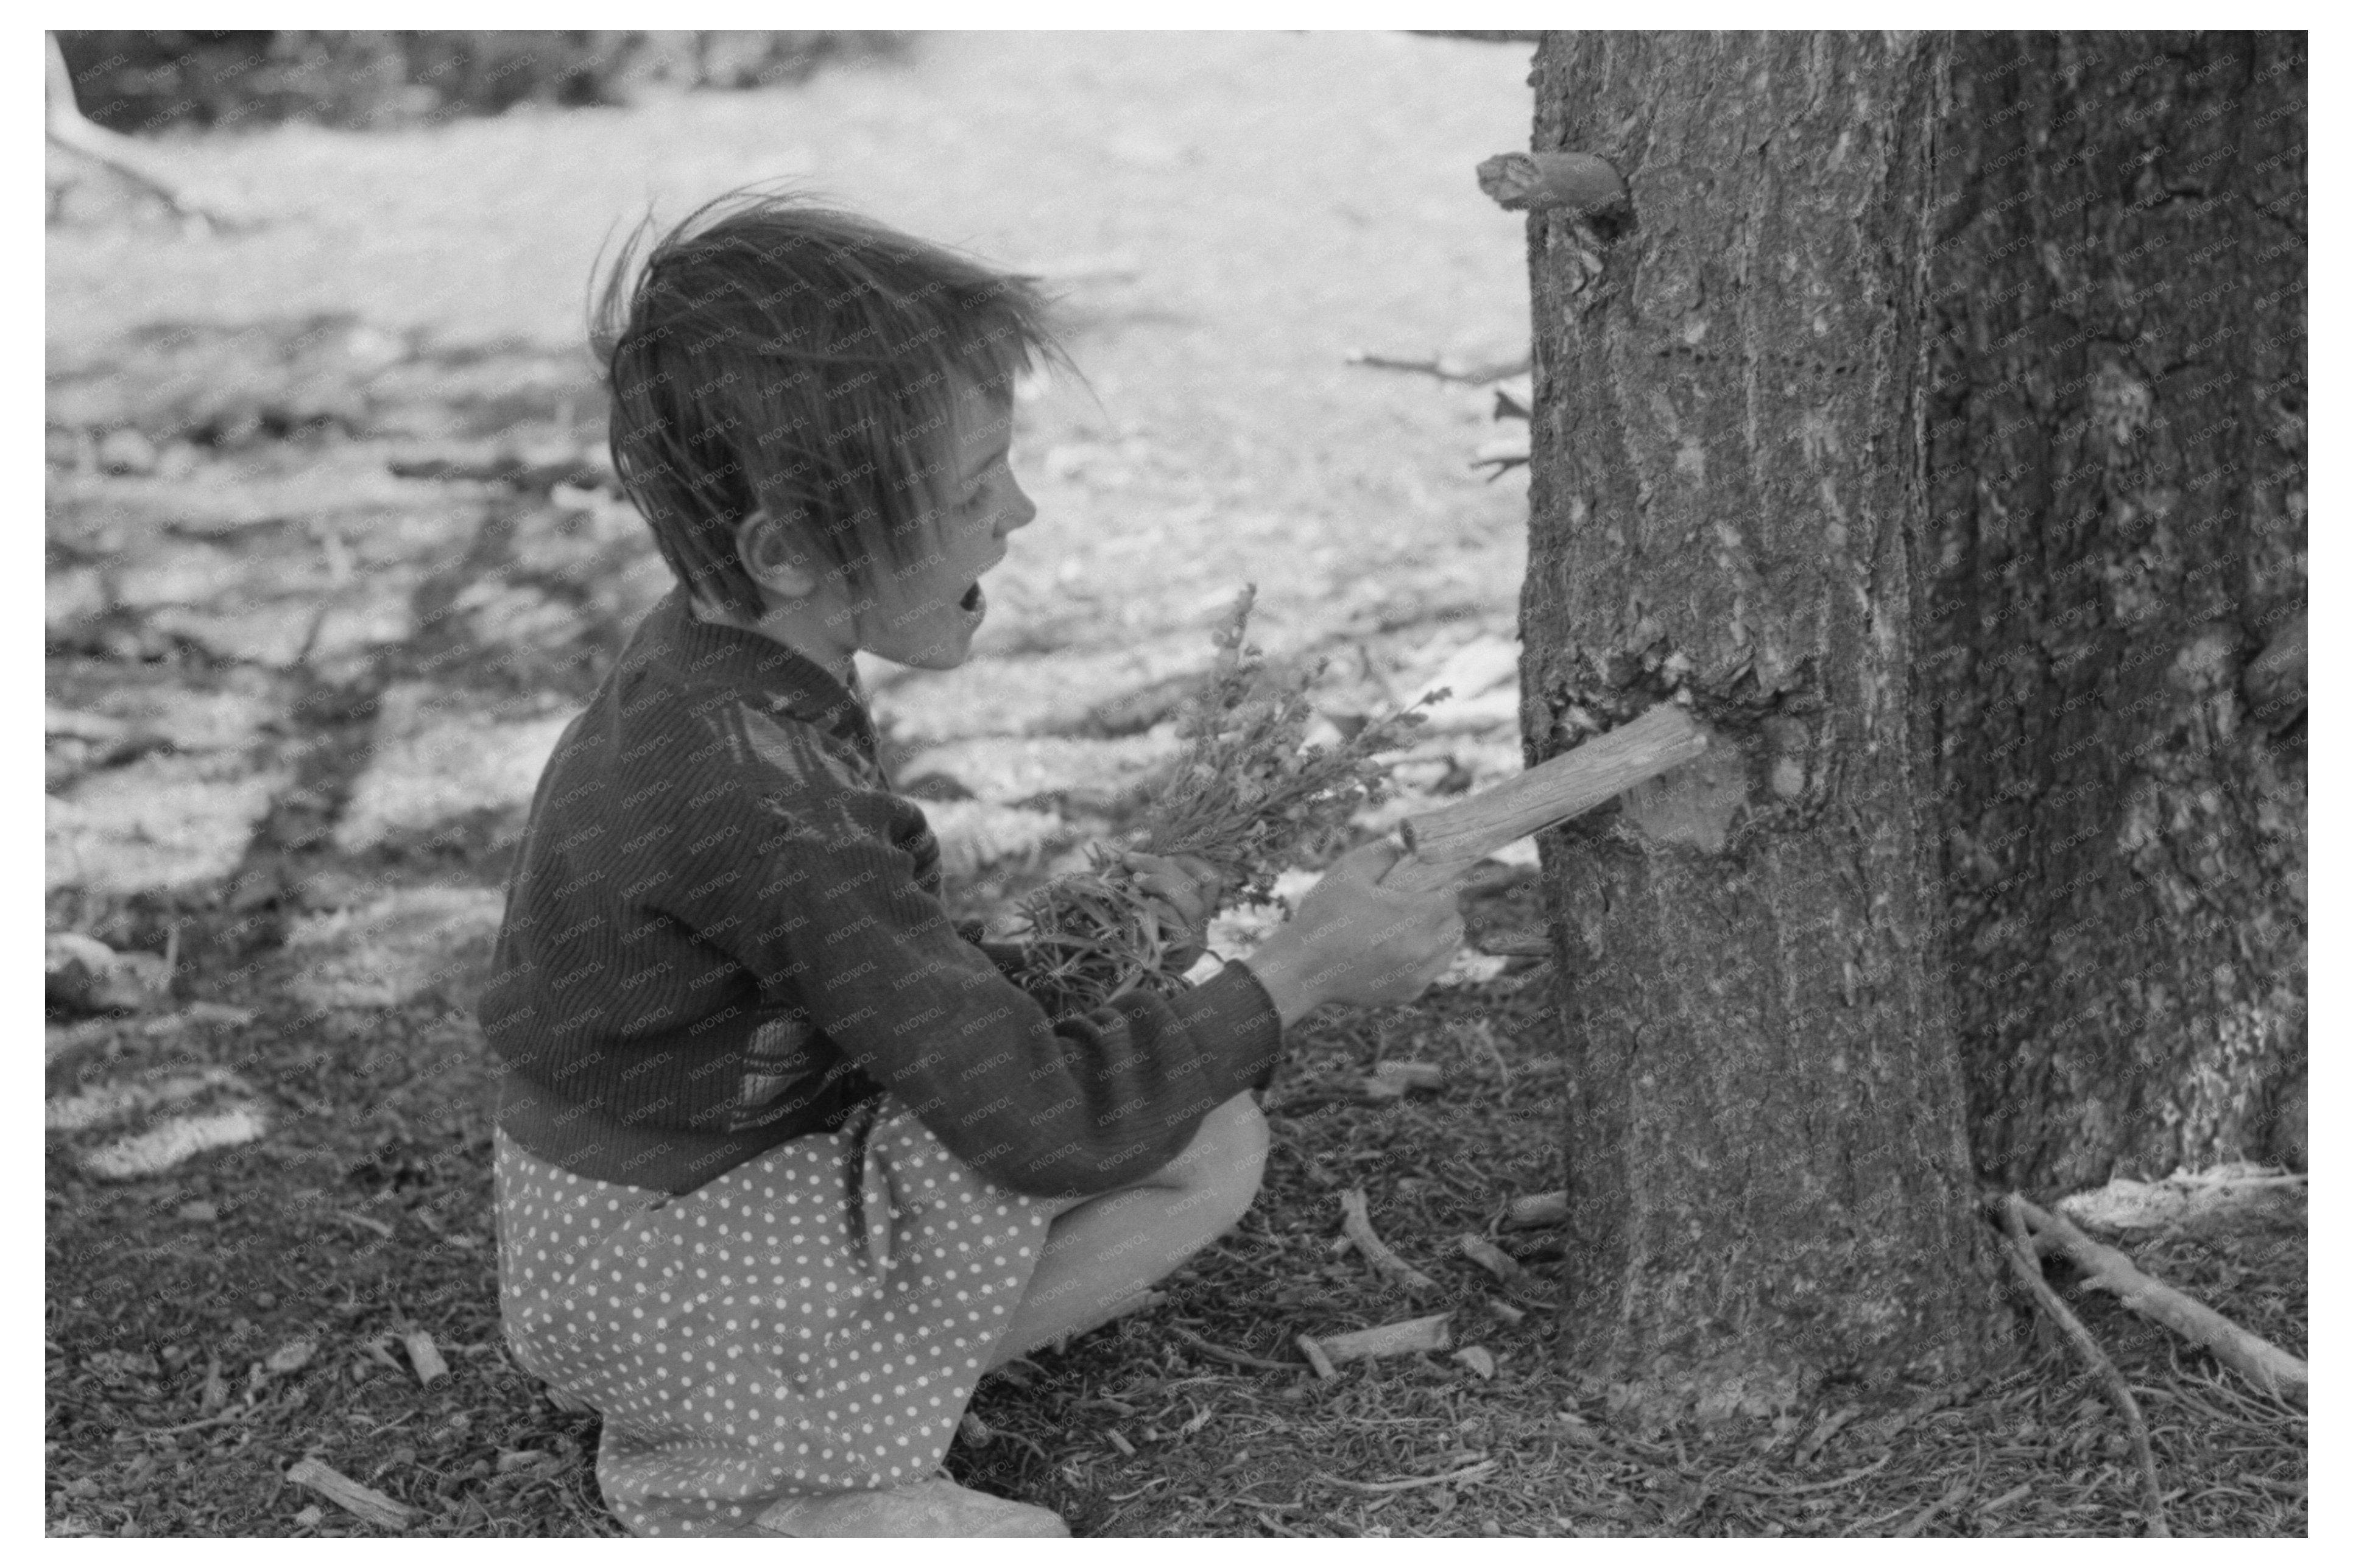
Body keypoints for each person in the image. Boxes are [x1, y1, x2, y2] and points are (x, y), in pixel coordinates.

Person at [477, 189, 1467, 1538]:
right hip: (658, 1261)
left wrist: (1117, 935)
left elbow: (900, 1000)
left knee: (1197, 1122)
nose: (1020, 510)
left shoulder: (718, 675)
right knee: (1202, 1152)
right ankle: (774, 1480)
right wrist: (1298, 973)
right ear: (791, 551)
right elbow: (1037, 1120)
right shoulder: (772, 803)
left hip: (627, 1216)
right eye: (967, 489)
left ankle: (789, 1392)